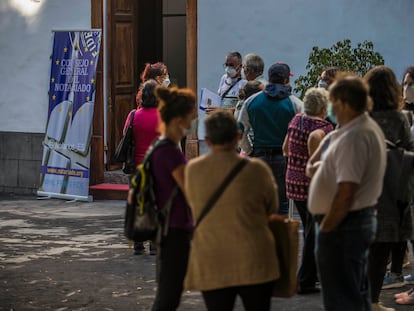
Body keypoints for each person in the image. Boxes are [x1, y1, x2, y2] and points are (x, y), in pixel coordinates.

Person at [184, 110, 279, 311]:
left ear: (207, 140)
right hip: (254, 256)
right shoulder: (257, 169)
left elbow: (191, 205)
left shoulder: (193, 170)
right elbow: (272, 206)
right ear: (238, 137)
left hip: (212, 257)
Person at [307, 74, 387, 311]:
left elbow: (346, 191)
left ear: (342, 101)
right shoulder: (355, 130)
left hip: (344, 224)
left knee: (341, 298)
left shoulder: (355, 136)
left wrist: (328, 227)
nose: (329, 107)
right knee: (354, 291)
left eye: (331, 100)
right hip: (352, 222)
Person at [363, 66, 414, 311]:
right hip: (391, 191)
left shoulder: (360, 117)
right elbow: (409, 153)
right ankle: (372, 301)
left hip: (362, 189)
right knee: (381, 248)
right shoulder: (400, 119)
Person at [144, 86, 196, 311]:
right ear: (178, 119)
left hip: (169, 227)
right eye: (191, 114)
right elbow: (191, 190)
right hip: (174, 229)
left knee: (168, 293)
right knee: (168, 296)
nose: (194, 118)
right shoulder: (170, 153)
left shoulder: (162, 146)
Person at [283, 87, 334, 294]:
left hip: (293, 181)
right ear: (323, 107)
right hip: (312, 185)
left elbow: (285, 148)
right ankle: (305, 280)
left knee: (310, 230)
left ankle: (311, 276)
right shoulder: (325, 127)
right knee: (314, 233)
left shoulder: (296, 120)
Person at [238, 62, 303, 216]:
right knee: (281, 205)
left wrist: (249, 150)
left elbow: (240, 131)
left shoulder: (251, 101)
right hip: (284, 159)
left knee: (260, 203)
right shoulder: (295, 104)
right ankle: (279, 237)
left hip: (259, 156)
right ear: (287, 80)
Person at [124, 80, 161, 255]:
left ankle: (138, 242)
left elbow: (126, 136)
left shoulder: (133, 116)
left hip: (137, 166)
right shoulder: (164, 116)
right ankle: (154, 243)